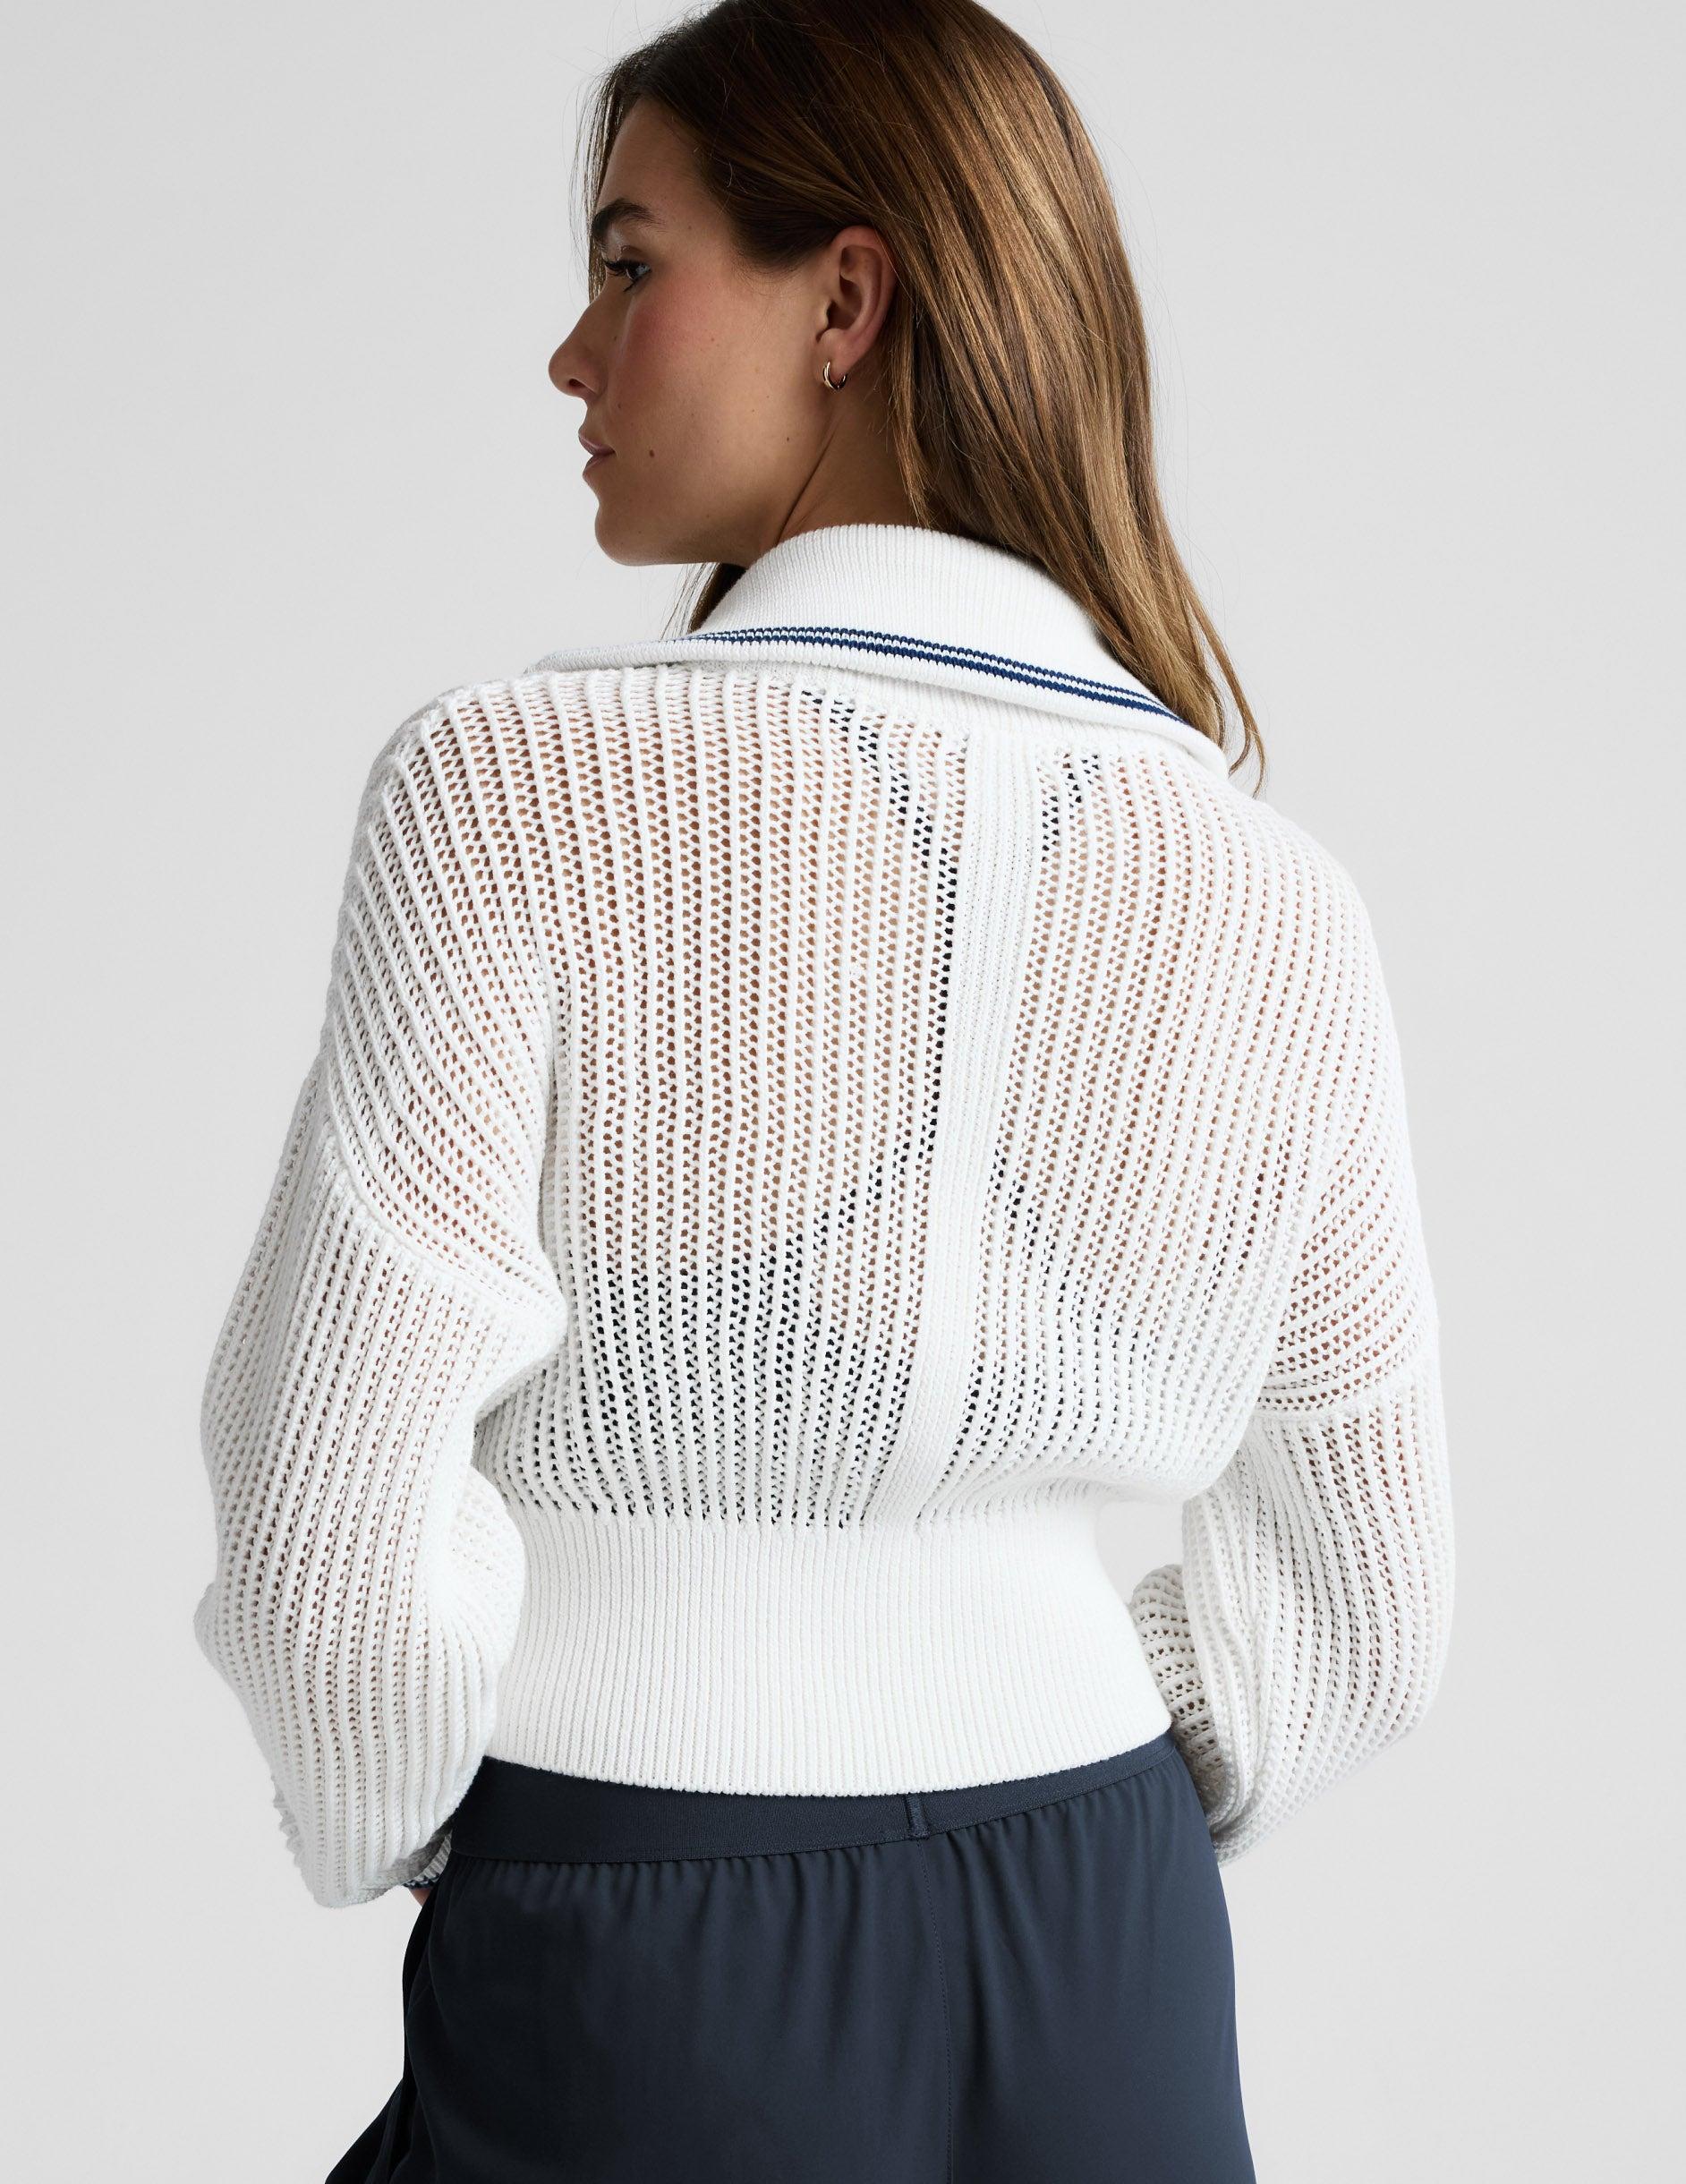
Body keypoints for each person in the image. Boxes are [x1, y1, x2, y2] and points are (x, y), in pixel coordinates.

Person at [190, 3, 1455, 2178]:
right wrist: (1058, 1748)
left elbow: (323, 1519)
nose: (572, 353)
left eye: (630, 263)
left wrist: (426, 1802)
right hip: (1111, 1939)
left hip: (640, 1905)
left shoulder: (522, 790)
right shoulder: (1278, 897)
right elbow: (1370, 1600)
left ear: (845, 301)